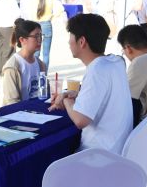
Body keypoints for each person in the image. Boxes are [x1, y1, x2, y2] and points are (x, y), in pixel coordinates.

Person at [50, 13, 132, 153]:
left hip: (100, 154)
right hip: (118, 149)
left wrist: (66, 101)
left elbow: (80, 120)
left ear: (81, 41)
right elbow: (106, 94)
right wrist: (78, 94)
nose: (69, 42)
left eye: (71, 36)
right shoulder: (117, 61)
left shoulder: (96, 70)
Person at [0, 18, 47, 106]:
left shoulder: (41, 64)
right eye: (36, 36)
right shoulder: (12, 67)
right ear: (22, 40)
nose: (40, 40)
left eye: (41, 35)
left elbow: (44, 93)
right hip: (19, 112)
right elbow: (12, 102)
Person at [21, 0, 64, 68]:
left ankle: (35, 72)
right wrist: (52, 17)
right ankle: (44, 74)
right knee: (46, 54)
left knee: (35, 52)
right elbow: (60, 10)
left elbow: (29, 12)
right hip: (47, 25)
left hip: (35, 26)